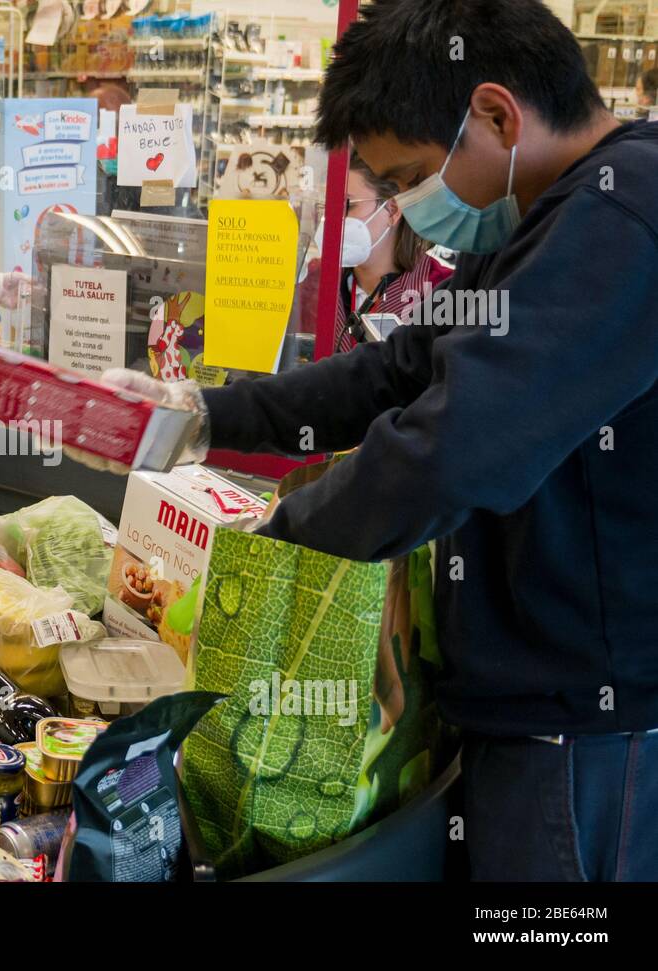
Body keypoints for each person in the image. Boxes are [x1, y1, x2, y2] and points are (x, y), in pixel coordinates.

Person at [100, 0, 658, 881]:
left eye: (409, 175)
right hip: (523, 703)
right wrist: (205, 413)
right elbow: (400, 371)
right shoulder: (531, 214)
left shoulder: (621, 223)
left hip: (588, 728)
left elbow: (457, 446)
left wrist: (270, 551)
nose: (406, 208)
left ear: (498, 115)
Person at [300, 154, 453, 351]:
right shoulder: (314, 280)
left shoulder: (442, 288)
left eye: (347, 205)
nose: (331, 219)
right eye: (326, 207)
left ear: (392, 210)